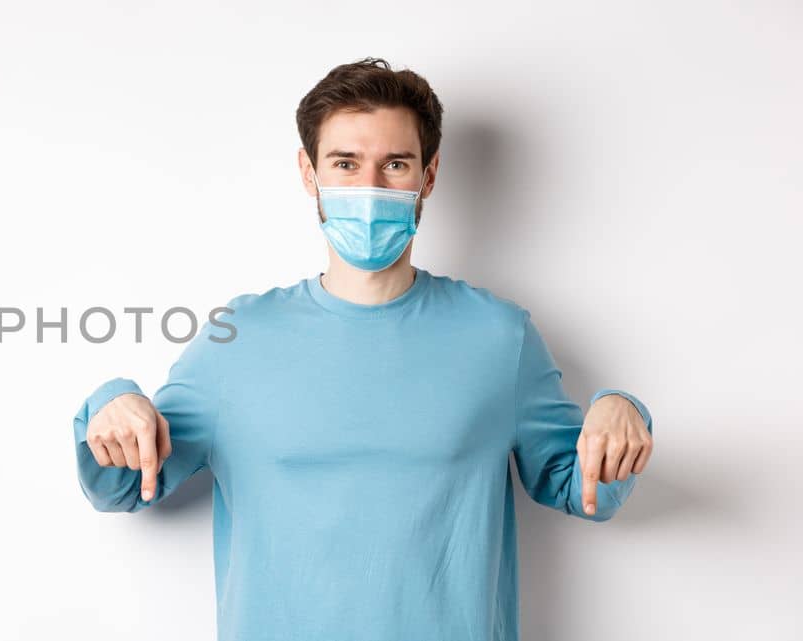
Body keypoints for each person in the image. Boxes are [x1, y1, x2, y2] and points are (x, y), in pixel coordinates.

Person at [71, 57, 654, 641]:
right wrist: (111, 402)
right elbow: (123, 486)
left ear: (428, 177)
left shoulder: (500, 337)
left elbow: (585, 491)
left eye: (394, 164)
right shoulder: (238, 341)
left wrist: (621, 412)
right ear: (309, 172)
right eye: (345, 163)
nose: (369, 186)